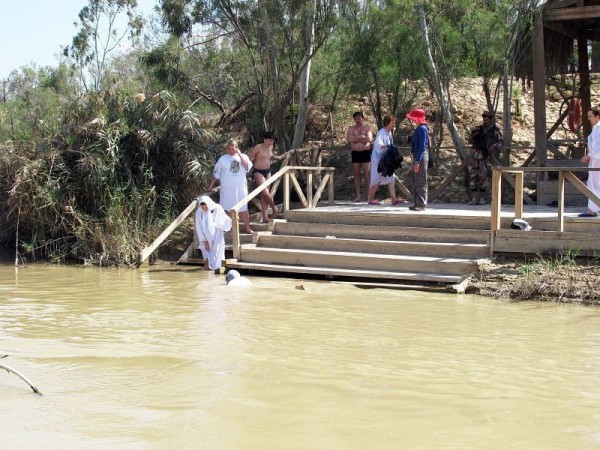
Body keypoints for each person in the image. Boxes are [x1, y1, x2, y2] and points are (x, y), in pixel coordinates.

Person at [206, 139, 254, 234]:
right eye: (229, 149)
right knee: (228, 209)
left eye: (233, 149)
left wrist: (239, 155)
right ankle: (230, 229)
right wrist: (211, 186)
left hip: (240, 189)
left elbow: (247, 167)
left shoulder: (243, 157)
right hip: (227, 189)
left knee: (243, 209)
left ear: (237, 148)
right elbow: (216, 174)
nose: (231, 151)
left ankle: (247, 228)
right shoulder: (223, 159)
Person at [367, 114, 405, 206]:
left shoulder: (389, 132)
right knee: (376, 179)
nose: (394, 124)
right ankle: (370, 199)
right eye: (392, 122)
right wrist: (388, 146)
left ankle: (393, 198)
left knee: (391, 177)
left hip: (386, 160)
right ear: (387, 123)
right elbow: (377, 144)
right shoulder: (382, 133)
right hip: (378, 160)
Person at [467, 110, 502, 205]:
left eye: (487, 119)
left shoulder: (494, 130)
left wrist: (494, 146)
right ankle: (474, 198)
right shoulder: (478, 129)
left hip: (484, 156)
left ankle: (482, 199)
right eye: (484, 119)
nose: (485, 121)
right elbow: (470, 141)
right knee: (473, 177)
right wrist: (473, 136)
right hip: (474, 155)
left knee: (483, 178)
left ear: (491, 120)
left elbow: (500, 142)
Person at [195, 196, 232, 270]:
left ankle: (216, 268)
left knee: (216, 251)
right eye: (203, 208)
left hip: (217, 234)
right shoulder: (199, 212)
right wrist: (204, 240)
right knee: (205, 249)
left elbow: (223, 220)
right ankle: (207, 268)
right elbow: (198, 226)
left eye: (206, 207)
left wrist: (231, 222)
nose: (205, 209)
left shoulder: (217, 208)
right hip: (204, 234)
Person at [248, 132, 279, 222]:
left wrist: (276, 157)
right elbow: (250, 157)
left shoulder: (271, 147)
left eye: (271, 141)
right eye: (268, 140)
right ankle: (274, 208)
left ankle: (265, 217)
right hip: (258, 171)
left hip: (268, 171)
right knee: (265, 192)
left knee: (264, 195)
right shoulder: (258, 147)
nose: (269, 142)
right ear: (264, 139)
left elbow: (270, 155)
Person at [346, 111, 373, 202]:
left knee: (367, 174)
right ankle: (358, 196)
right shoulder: (351, 128)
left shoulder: (367, 128)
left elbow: (369, 139)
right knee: (356, 174)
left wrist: (356, 138)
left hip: (365, 153)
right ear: (354, 119)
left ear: (363, 118)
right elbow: (349, 139)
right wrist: (362, 136)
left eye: (360, 117)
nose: (358, 119)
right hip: (355, 153)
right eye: (356, 118)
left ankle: (369, 196)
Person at [406, 108, 429, 211]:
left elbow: (422, 146)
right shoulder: (419, 129)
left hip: (421, 156)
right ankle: (416, 202)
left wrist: (418, 161)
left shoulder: (422, 129)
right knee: (416, 180)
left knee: (421, 180)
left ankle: (421, 203)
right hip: (417, 156)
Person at [579, 106, 600, 217]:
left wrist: (589, 155)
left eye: (591, 116)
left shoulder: (599, 128)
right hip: (595, 158)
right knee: (595, 183)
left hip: (597, 158)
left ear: (597, 116)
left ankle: (592, 210)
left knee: (593, 183)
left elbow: (598, 146)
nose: (589, 118)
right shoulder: (596, 128)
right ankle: (593, 208)